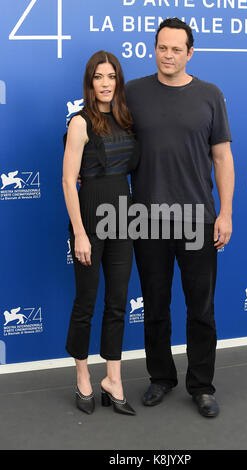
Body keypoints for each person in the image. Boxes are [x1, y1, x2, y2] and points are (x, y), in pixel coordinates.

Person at [125, 18, 235, 417]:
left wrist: (225, 213)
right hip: (147, 219)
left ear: (190, 53)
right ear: (153, 48)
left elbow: (222, 158)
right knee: (154, 305)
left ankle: (201, 385)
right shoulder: (132, 93)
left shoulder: (210, 95)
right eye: (161, 47)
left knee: (200, 309)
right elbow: (107, 137)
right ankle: (161, 377)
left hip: (198, 219)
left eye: (176, 49)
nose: (167, 55)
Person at [62, 50, 139, 416]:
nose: (106, 83)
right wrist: (79, 232)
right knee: (86, 301)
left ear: (118, 81)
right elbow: (67, 179)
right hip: (90, 213)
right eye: (99, 77)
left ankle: (113, 378)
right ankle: (82, 375)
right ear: (89, 82)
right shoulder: (80, 122)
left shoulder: (127, 119)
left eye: (111, 77)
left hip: (123, 215)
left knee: (118, 301)